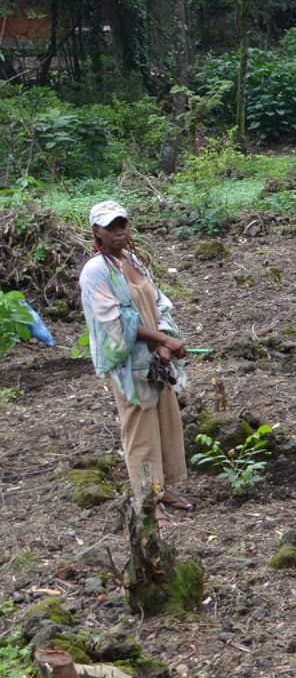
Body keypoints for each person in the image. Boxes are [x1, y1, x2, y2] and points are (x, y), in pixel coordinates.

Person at [78, 201, 192, 509]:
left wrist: (166, 342)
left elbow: (157, 302)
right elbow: (115, 320)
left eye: (122, 226)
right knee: (140, 429)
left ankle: (161, 487)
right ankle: (146, 500)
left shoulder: (132, 261)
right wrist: (160, 339)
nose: (118, 233)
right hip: (128, 362)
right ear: (97, 232)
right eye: (110, 228)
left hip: (156, 357)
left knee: (163, 420)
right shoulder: (95, 272)